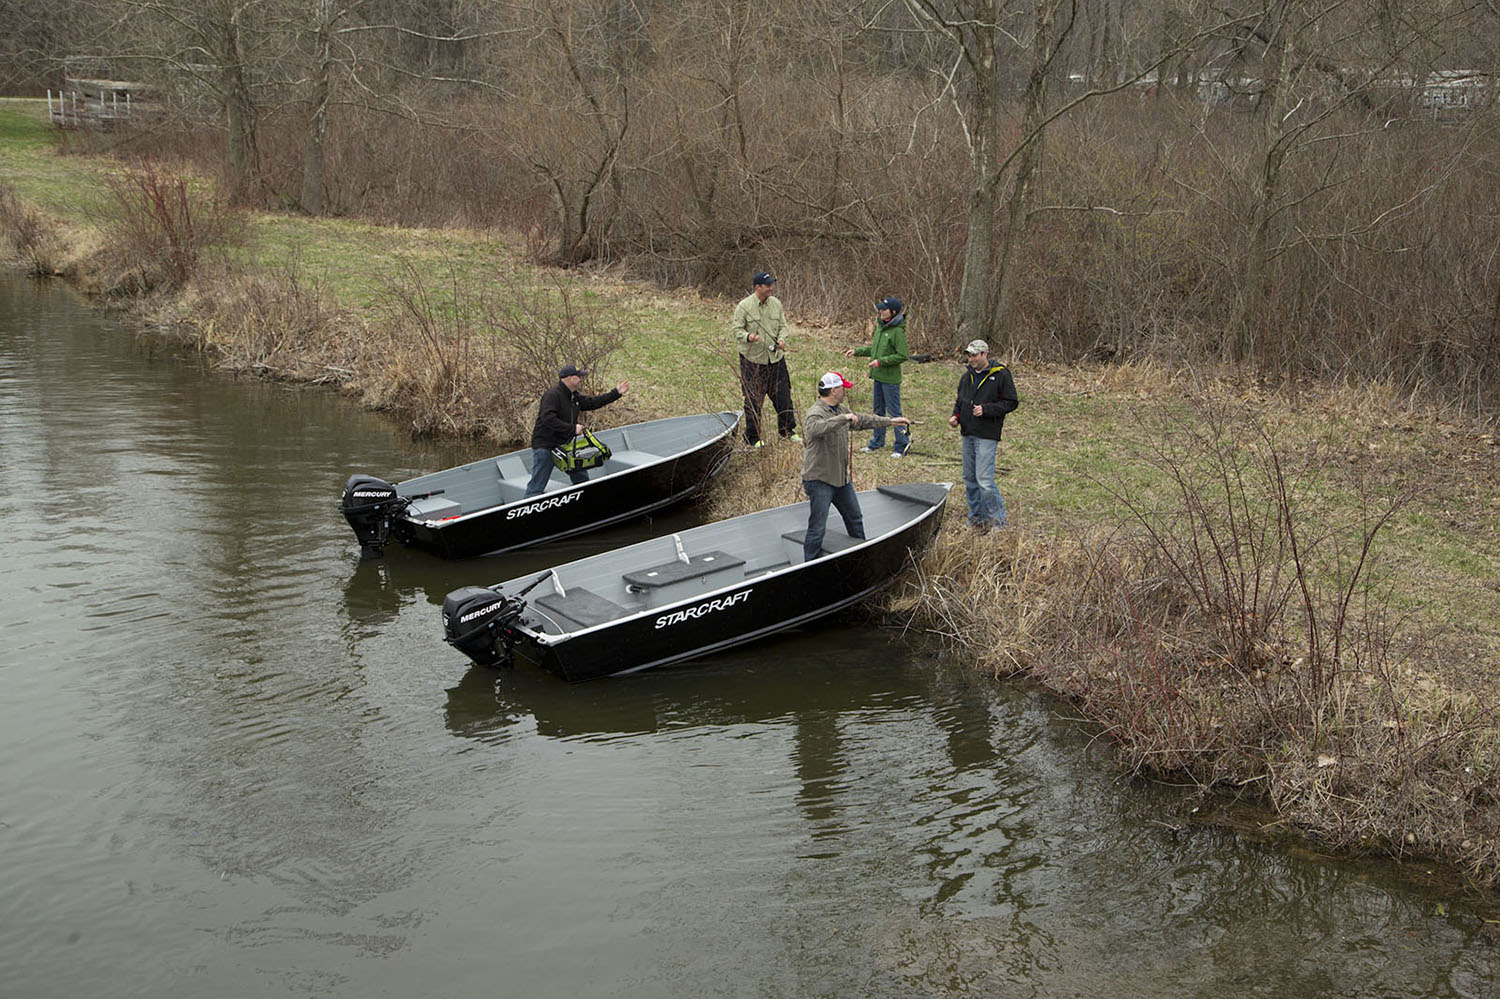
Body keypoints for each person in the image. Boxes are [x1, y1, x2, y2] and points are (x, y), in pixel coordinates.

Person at [800, 371, 911, 562]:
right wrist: (843, 418)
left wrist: (891, 421)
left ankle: (861, 559)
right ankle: (809, 566)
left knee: (855, 518)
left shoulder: (841, 409)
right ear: (833, 391)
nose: (845, 391)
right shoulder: (816, 412)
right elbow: (815, 429)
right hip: (819, 480)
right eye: (842, 388)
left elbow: (864, 420)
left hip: (841, 480)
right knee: (817, 528)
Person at [524, 364, 629, 498]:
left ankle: (587, 503)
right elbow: (548, 418)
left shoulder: (574, 397)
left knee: (582, 480)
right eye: (578, 376)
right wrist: (572, 428)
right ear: (569, 378)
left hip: (565, 447)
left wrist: (616, 393)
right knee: (537, 486)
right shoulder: (552, 395)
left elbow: (593, 402)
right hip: (546, 446)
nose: (581, 379)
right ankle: (526, 507)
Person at [948, 339, 1018, 529]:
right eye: (969, 356)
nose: (971, 359)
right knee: (969, 479)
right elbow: (960, 401)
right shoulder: (967, 377)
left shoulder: (1001, 375)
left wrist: (986, 410)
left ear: (985, 354)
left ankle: (999, 523)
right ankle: (977, 519)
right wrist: (956, 416)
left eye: (974, 356)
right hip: (967, 432)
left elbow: (1011, 402)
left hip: (987, 433)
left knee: (985, 481)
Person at [732, 271, 799, 448]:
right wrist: (748, 337)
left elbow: (783, 326)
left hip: (776, 359)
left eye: (771, 285)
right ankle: (752, 437)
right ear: (757, 287)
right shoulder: (744, 306)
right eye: (767, 285)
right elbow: (736, 330)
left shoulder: (776, 304)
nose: (771, 288)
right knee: (753, 399)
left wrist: (782, 339)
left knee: (783, 396)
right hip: (753, 360)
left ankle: (787, 431)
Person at [844, 295, 911, 457]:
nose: (880, 311)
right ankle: (877, 441)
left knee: (894, 413)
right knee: (878, 412)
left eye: (884, 309)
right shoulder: (881, 327)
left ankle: (902, 445)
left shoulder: (897, 332)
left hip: (891, 380)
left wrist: (881, 362)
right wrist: (857, 351)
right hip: (878, 378)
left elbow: (903, 355)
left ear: (893, 312)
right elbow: (874, 349)